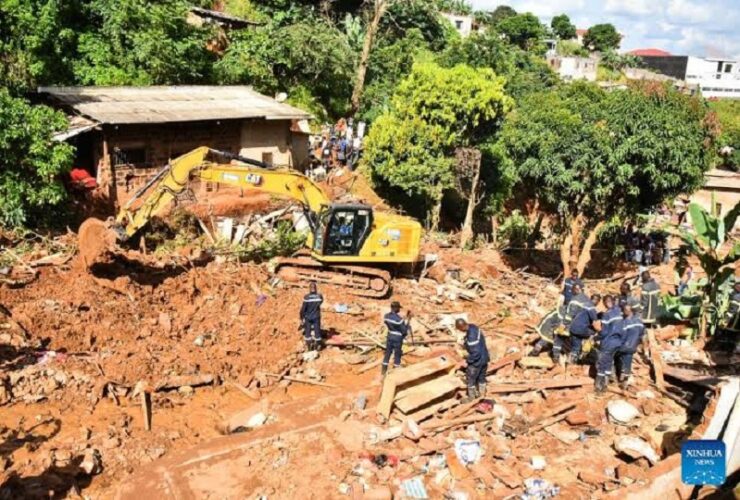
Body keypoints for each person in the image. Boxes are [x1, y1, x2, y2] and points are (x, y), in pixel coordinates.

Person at [555, 293, 600, 364]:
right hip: (580, 329)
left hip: (573, 328)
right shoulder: (591, 308)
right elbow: (595, 322)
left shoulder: (583, 305)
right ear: (597, 301)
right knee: (593, 332)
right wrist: (600, 332)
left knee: (576, 346)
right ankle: (586, 350)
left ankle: (571, 361)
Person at [594, 295, 623, 392]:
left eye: (607, 301)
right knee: (609, 362)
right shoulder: (619, 312)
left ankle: (599, 387)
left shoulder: (607, 315)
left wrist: (596, 337)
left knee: (602, 363)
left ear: (604, 303)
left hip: (608, 342)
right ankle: (606, 383)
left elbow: (604, 332)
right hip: (618, 342)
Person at [456, 318, 490, 400]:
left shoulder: (471, 337)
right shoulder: (473, 327)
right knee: (481, 378)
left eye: (459, 329)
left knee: (470, 380)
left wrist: (467, 360)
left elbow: (476, 353)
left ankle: (472, 398)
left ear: (461, 327)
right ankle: (482, 395)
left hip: (477, 362)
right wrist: (465, 342)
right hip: (484, 358)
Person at [614, 303, 645, 389]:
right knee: (628, 363)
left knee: (617, 360)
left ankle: (619, 379)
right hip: (633, 346)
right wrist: (637, 342)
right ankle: (625, 380)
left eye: (623, 310)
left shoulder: (625, 322)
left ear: (627, 311)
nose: (622, 312)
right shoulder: (639, 321)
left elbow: (622, 336)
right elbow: (642, 334)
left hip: (624, 346)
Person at [382, 301, 412, 376]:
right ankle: (395, 372)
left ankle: (383, 371)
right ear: (396, 308)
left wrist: (405, 318)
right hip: (397, 338)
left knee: (387, 353)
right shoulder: (399, 320)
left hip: (389, 336)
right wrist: (408, 323)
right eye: (398, 308)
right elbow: (404, 331)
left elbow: (394, 322)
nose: (399, 309)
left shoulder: (386, 316)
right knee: (397, 355)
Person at [299, 281, 323, 351]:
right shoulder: (319, 296)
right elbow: (321, 302)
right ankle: (317, 347)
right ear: (316, 288)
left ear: (310, 288)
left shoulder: (306, 297)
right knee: (317, 331)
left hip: (308, 317)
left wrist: (301, 317)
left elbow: (303, 309)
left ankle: (309, 347)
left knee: (308, 331)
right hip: (316, 316)